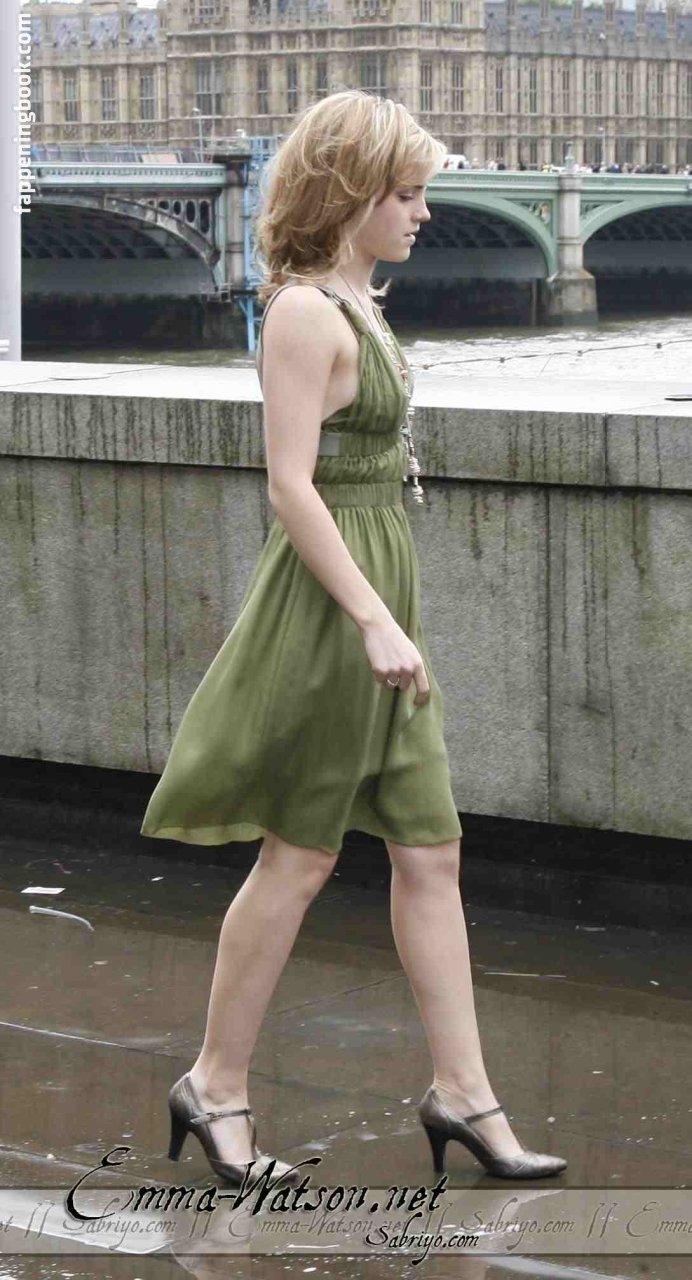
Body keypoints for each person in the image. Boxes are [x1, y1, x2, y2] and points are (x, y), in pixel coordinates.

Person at [140, 90, 567, 1187]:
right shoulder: (302, 314)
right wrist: (373, 617)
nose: (423, 211)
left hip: (380, 595)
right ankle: (215, 1084)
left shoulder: (355, 302)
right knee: (301, 854)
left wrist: (390, 611)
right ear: (350, 191)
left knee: (430, 848)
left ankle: (464, 1094)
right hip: (336, 612)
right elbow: (289, 486)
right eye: (407, 192)